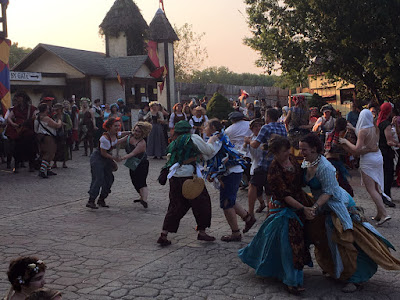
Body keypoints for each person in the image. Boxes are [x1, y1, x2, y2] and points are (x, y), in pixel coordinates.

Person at [300, 133, 400, 293]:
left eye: (304, 149)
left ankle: (357, 278)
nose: (301, 152)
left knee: (350, 243)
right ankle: (338, 271)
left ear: (313, 149)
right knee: (329, 242)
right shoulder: (307, 162)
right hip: (324, 209)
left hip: (340, 207)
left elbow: (330, 192)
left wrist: (314, 208)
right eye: (300, 149)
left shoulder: (325, 166)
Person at [239, 137, 314, 295]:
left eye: (288, 149)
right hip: (284, 208)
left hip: (299, 202)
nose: (288, 153)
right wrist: (302, 209)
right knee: (289, 244)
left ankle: (285, 272)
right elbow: (284, 195)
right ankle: (291, 281)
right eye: (284, 151)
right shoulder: (273, 170)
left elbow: (301, 179)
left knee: (299, 241)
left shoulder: (292, 159)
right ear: (275, 153)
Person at [157, 120, 216, 246]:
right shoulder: (193, 138)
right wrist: (211, 141)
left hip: (174, 177)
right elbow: (209, 151)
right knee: (202, 203)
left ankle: (164, 233)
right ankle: (202, 231)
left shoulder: (174, 143)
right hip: (189, 177)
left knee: (175, 206)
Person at [204, 119, 255, 241]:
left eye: (206, 126)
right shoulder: (221, 136)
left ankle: (236, 233)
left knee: (226, 203)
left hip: (230, 172)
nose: (204, 128)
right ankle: (248, 218)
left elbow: (209, 152)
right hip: (231, 172)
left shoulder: (216, 138)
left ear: (212, 127)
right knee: (229, 199)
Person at [340, 109, 393, 222]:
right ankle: (379, 213)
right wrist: (353, 129)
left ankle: (384, 213)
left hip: (368, 160)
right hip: (377, 157)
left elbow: (356, 149)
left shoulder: (363, 131)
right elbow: (366, 139)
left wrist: (345, 142)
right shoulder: (375, 128)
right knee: (376, 186)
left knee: (371, 189)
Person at [246, 108, 287, 217]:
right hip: (278, 163)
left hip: (265, 164)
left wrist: (248, 141)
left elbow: (255, 144)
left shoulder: (266, 127)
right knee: (270, 189)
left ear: (268, 117)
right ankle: (270, 212)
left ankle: (250, 213)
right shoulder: (283, 128)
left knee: (253, 185)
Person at [86, 117, 130, 209]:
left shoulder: (115, 134)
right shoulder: (104, 138)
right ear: (109, 127)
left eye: (118, 125)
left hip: (106, 157)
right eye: (115, 126)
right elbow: (103, 153)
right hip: (98, 158)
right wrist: (114, 158)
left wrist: (130, 133)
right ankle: (91, 200)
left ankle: (102, 199)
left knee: (109, 178)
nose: (118, 127)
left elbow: (121, 134)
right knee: (98, 178)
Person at [120, 122, 152, 209]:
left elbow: (133, 153)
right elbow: (118, 141)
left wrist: (122, 157)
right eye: (135, 130)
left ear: (143, 133)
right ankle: (141, 197)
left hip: (142, 164)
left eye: (138, 132)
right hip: (133, 163)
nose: (136, 133)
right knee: (134, 181)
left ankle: (144, 200)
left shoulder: (142, 143)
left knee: (142, 182)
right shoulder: (129, 137)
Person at [4, 92, 37, 173]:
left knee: (31, 150)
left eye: (19, 97)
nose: (17, 99)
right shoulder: (15, 108)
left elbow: (34, 116)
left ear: (23, 98)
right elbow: (9, 118)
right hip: (18, 132)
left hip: (29, 132)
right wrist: (13, 124)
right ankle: (16, 167)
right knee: (16, 150)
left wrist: (29, 120)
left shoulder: (32, 108)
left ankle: (31, 166)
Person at [242, 118, 267, 216]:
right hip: (256, 166)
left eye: (259, 126)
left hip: (265, 165)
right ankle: (262, 203)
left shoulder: (264, 137)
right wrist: (245, 143)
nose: (258, 128)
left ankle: (269, 208)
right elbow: (243, 150)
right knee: (256, 189)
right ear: (251, 129)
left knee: (266, 188)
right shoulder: (250, 139)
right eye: (255, 126)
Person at [324, 117, 354, 196]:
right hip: (334, 161)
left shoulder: (331, 134)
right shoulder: (339, 138)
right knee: (343, 185)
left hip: (328, 160)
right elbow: (350, 150)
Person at [34, 103, 62, 178]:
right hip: (48, 137)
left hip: (41, 137)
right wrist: (59, 120)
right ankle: (42, 170)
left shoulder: (37, 117)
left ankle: (48, 169)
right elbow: (57, 125)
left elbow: (35, 129)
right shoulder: (46, 118)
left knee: (47, 153)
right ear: (45, 109)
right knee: (49, 153)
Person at [377, 102, 397, 207]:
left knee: (383, 175)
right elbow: (389, 141)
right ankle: (386, 196)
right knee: (388, 175)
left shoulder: (379, 122)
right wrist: (398, 144)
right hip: (387, 152)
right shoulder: (386, 124)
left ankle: (383, 195)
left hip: (380, 151)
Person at [285, 95, 311, 160]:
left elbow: (286, 121)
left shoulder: (291, 110)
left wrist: (288, 130)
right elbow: (309, 124)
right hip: (304, 134)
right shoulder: (307, 111)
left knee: (292, 155)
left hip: (292, 134)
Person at [52, 103, 72, 169]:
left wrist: (64, 124)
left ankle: (64, 162)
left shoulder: (66, 116)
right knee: (55, 148)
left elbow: (70, 125)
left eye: (57, 109)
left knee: (64, 148)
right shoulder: (54, 116)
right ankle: (55, 162)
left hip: (64, 134)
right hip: (56, 133)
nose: (56, 111)